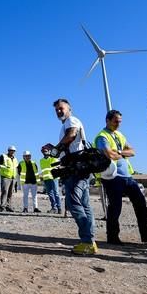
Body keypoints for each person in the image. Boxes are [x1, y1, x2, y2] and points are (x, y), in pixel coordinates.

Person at [95, 110, 147, 245]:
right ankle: (113, 237)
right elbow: (109, 154)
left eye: (120, 121)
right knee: (115, 207)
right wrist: (121, 153)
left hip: (127, 176)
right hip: (112, 176)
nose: (118, 124)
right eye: (116, 121)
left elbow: (132, 151)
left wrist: (120, 152)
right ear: (108, 120)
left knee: (140, 203)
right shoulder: (102, 137)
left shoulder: (120, 135)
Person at [43, 99, 97, 255]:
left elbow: (72, 134)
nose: (59, 111)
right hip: (80, 167)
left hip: (76, 168)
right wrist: (52, 150)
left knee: (73, 203)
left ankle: (87, 241)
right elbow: (66, 147)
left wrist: (57, 148)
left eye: (61, 108)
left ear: (69, 109)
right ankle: (91, 242)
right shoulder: (66, 125)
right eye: (57, 110)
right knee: (85, 205)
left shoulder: (71, 121)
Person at [0, 146, 18, 212]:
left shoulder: (15, 159)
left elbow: (16, 167)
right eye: (11, 150)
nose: (12, 152)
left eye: (14, 151)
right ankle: (2, 206)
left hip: (13, 178)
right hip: (5, 177)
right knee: (5, 191)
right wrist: (2, 172)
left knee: (10, 193)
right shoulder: (3, 156)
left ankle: (8, 206)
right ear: (8, 150)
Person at [39, 148, 61, 214]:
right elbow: (43, 170)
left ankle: (59, 208)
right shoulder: (41, 160)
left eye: (46, 151)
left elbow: (58, 165)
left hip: (54, 178)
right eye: (44, 151)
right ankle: (54, 208)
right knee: (50, 194)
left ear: (49, 151)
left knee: (56, 193)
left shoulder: (53, 159)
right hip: (46, 179)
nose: (45, 152)